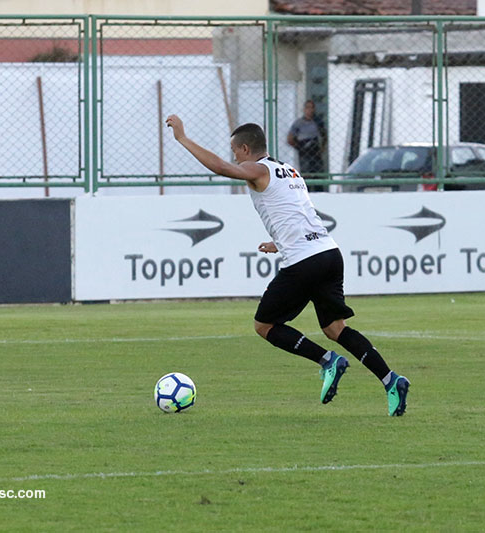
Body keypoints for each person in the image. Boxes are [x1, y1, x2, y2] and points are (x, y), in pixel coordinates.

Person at [165, 115, 410, 416]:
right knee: (336, 328)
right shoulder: (290, 171)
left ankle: (326, 361)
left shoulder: (257, 169)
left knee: (264, 325)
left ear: (244, 149)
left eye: (235, 152)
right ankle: (391, 381)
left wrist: (183, 138)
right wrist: (279, 242)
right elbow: (296, 213)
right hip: (329, 253)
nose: (234, 158)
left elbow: (221, 168)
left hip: (305, 260)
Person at [287, 100, 327, 192]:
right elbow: (290, 138)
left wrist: (322, 149)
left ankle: (319, 191)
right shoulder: (298, 123)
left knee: (318, 174)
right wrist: (300, 148)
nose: (310, 110)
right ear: (304, 109)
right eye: (308, 107)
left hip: (315, 150)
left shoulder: (317, 122)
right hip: (304, 150)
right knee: (306, 174)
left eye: (312, 108)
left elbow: (324, 136)